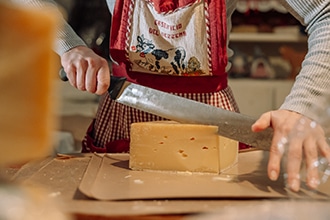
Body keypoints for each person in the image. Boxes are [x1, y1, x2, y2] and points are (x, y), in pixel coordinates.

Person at [16, 0, 330, 192]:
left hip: (210, 123)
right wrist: (69, 47)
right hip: (124, 113)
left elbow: (324, 13)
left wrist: (303, 105)